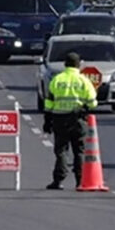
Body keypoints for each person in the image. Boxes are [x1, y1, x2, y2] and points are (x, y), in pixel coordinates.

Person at [43, 52, 98, 190]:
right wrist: (85, 107)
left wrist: (47, 121)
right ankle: (80, 181)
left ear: (65, 64)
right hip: (78, 119)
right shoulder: (83, 80)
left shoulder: (57, 80)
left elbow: (49, 102)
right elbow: (92, 102)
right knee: (79, 150)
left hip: (59, 119)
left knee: (61, 150)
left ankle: (58, 180)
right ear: (79, 65)